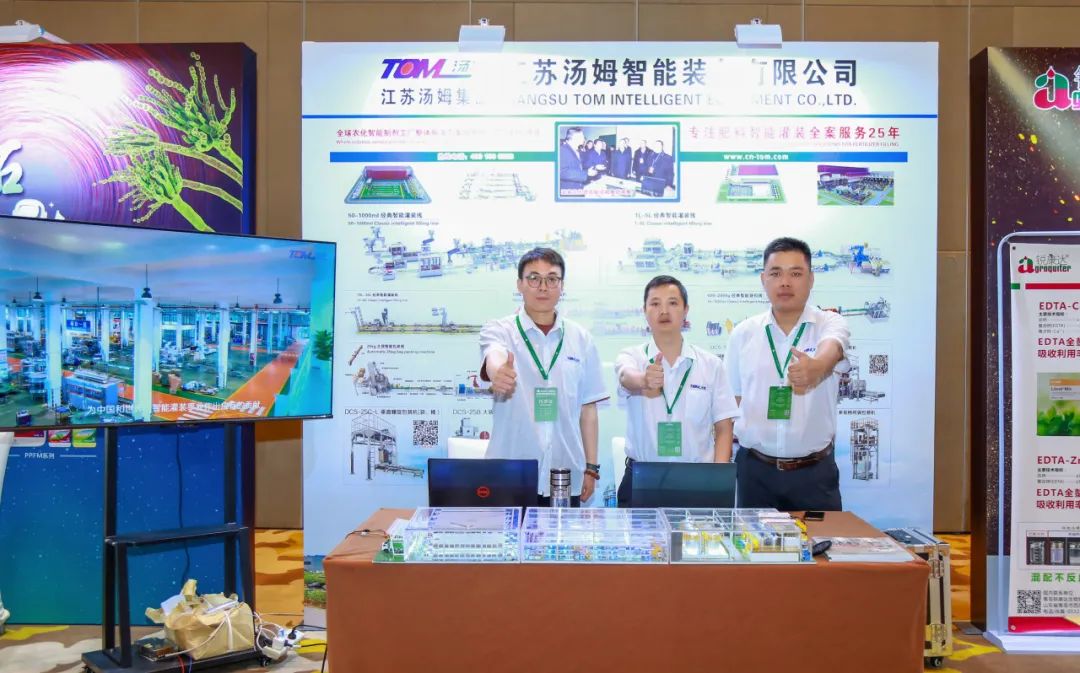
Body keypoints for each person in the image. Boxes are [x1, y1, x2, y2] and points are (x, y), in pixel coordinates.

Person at [724, 237, 850, 511]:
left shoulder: (829, 323)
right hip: (755, 472)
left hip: (814, 474)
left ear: (811, 279)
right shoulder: (743, 334)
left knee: (823, 540)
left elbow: (833, 347)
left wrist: (817, 367)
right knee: (753, 540)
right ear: (763, 279)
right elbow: (733, 400)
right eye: (776, 273)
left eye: (795, 273)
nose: (785, 282)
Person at [480, 247, 608, 505]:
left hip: (565, 472)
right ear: (519, 284)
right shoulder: (500, 330)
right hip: (511, 471)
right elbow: (493, 354)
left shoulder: (581, 339)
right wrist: (498, 371)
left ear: (562, 286)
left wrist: (591, 468)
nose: (543, 287)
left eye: (552, 279)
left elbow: (588, 409)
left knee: (561, 534)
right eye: (534, 278)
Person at [614, 275, 739, 506]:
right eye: (655, 303)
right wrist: (644, 380)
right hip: (642, 480)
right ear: (644, 311)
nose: (664, 311)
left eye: (672, 303)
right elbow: (625, 376)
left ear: (685, 310)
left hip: (698, 481)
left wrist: (717, 481)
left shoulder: (711, 365)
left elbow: (724, 427)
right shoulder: (632, 356)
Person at [558, 127, 595, 196]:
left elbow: (576, 168)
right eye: (582, 136)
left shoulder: (575, 150)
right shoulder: (563, 150)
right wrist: (586, 173)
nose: (584, 139)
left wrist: (587, 171)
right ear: (575, 137)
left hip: (577, 187)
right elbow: (562, 172)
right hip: (569, 191)